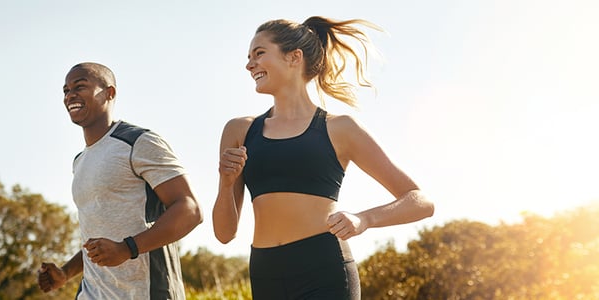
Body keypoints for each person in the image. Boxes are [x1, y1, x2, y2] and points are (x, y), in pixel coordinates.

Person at [212, 16, 435, 299]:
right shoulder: (239, 130)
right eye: (248, 57)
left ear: (294, 57)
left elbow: (420, 201)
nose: (249, 64)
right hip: (265, 273)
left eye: (259, 53)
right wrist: (226, 182)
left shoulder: (340, 128)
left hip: (324, 270)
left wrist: (363, 219)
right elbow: (224, 233)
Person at [37, 62, 203, 299]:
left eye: (80, 86)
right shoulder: (80, 161)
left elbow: (190, 209)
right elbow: (99, 237)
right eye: (66, 90)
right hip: (92, 293)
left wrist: (127, 248)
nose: (70, 95)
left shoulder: (139, 142)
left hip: (146, 292)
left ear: (109, 92)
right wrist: (65, 272)